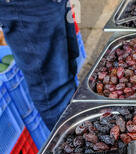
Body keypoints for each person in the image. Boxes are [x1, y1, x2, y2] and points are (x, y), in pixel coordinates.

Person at [0, 0, 79, 129]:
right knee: (54, 89)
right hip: (27, 6)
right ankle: (73, 139)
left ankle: (79, 126)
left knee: (69, 62)